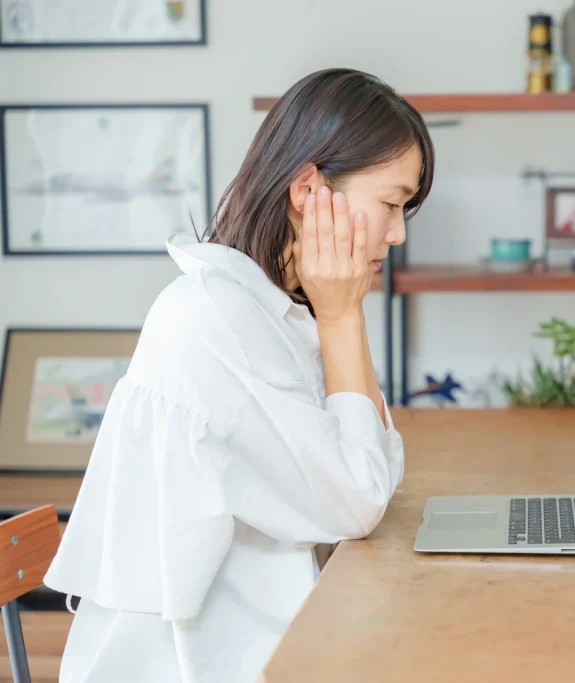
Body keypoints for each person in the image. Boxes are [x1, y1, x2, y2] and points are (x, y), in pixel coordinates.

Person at [42, 67, 435, 683]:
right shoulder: (217, 321)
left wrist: (338, 313)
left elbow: (382, 465)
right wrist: (342, 316)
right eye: (390, 203)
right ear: (309, 190)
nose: (399, 231)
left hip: (276, 639)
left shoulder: (278, 311)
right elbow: (357, 501)